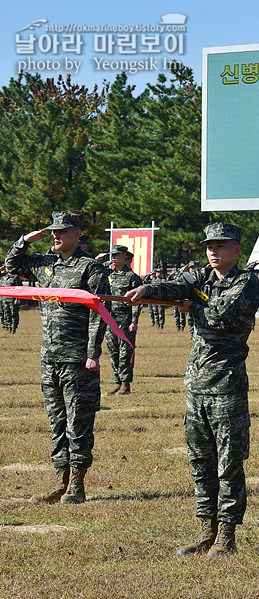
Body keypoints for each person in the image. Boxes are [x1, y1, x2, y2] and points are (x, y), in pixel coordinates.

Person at [126, 222, 259, 556]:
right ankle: (206, 530)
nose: (213, 251)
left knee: (228, 462)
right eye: (209, 246)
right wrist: (148, 290)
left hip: (226, 384)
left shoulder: (246, 282)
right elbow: (175, 286)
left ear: (236, 249)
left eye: (221, 245)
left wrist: (193, 307)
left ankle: (227, 536)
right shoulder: (202, 278)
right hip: (196, 384)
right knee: (201, 461)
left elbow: (220, 316)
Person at [5, 211, 109, 504]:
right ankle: (60, 478)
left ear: (77, 234)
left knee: (78, 420)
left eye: (62, 231)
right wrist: (26, 240)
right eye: (52, 231)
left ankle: (77, 483)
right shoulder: (44, 264)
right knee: (56, 419)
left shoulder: (90, 269)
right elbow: (12, 265)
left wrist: (92, 353)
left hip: (77, 358)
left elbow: (99, 315)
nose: (55, 235)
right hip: (49, 356)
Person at [103, 245, 142, 396]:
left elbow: (137, 302)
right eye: (111, 255)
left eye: (116, 255)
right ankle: (117, 382)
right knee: (113, 351)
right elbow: (96, 269)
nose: (113, 258)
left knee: (125, 352)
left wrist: (134, 321)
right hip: (110, 318)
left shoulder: (132, 277)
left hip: (125, 319)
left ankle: (126, 384)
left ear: (124, 257)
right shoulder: (108, 274)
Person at [0, 264, 22, 334]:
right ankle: (6, 326)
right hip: (3, 299)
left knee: (13, 313)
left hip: (12, 299)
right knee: (5, 313)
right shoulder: (3, 277)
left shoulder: (15, 277)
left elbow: (20, 288)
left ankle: (13, 327)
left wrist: (18, 298)